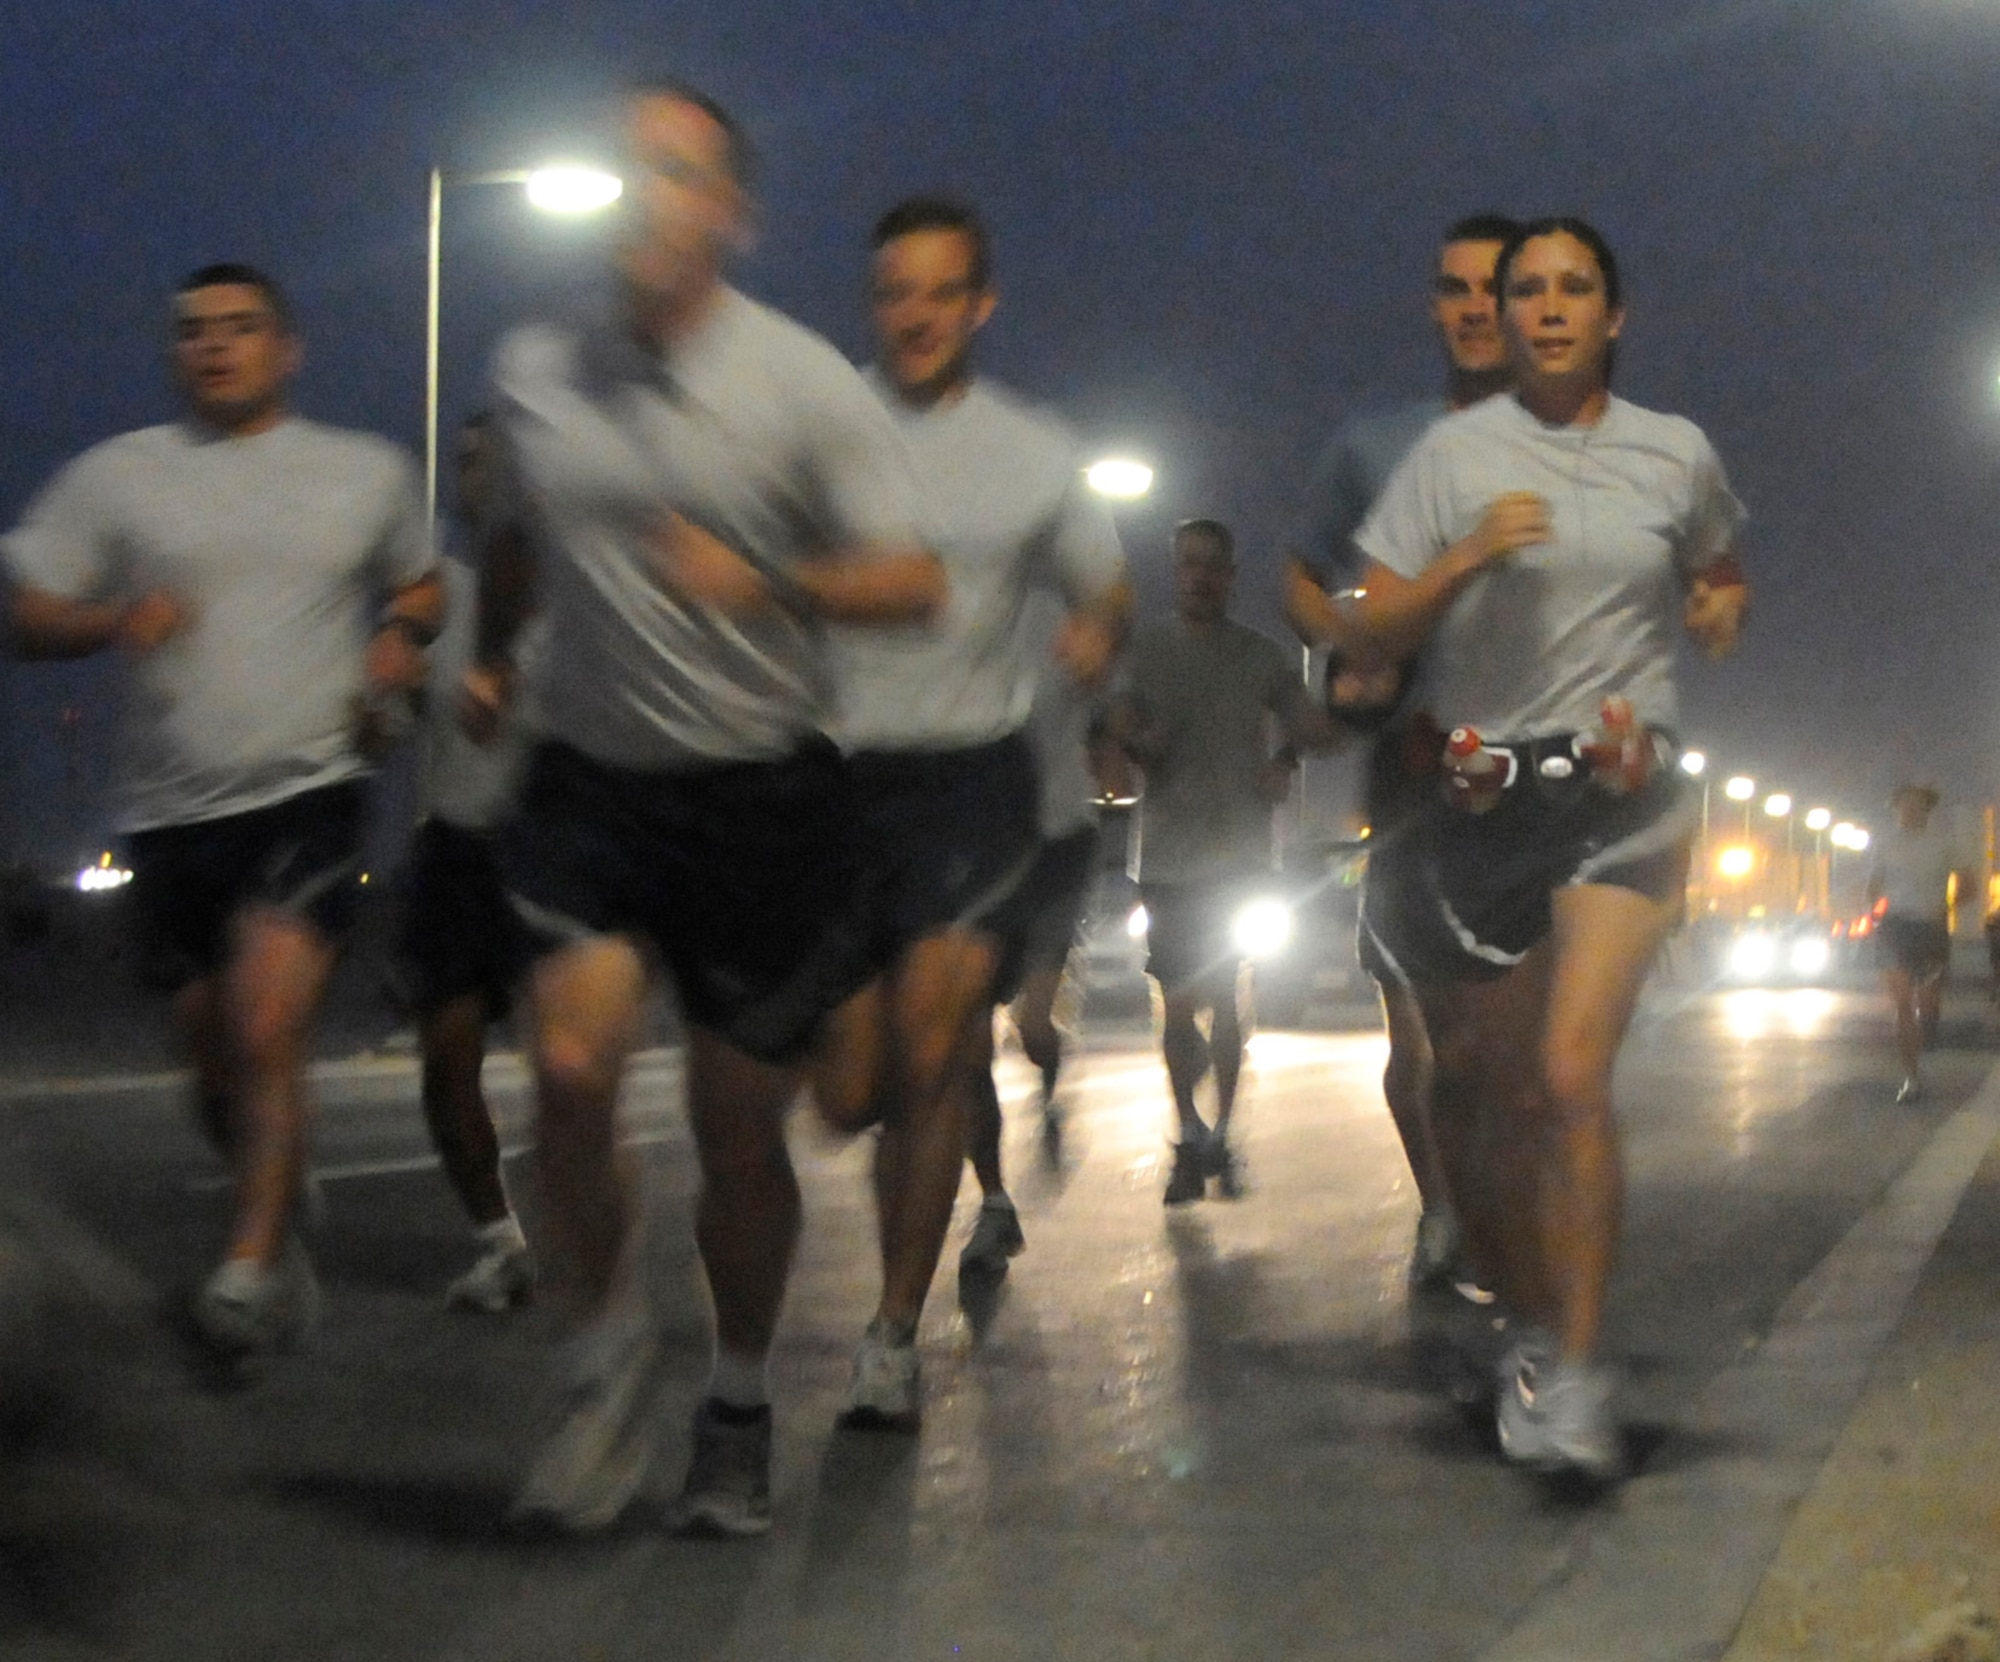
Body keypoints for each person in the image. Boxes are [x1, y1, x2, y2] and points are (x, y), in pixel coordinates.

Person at [465, 79, 945, 1538]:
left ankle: (736, 1393)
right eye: (623, 171)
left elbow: (913, 581)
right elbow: (519, 529)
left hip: (761, 797)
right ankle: (601, 1360)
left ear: (730, 212)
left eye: (674, 175)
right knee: (565, 1062)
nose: (639, 197)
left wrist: (771, 579)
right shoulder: (538, 367)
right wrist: (493, 653)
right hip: (594, 780)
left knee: (742, 1135)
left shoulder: (798, 383)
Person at [1347, 217, 1748, 1481]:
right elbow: (1367, 621)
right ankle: (1526, 1328)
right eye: (1527, 290)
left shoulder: (1672, 451)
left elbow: (1719, 578)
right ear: (1502, 319)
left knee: (1569, 1079)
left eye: (1575, 288)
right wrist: (1464, 555)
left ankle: (1574, 1377)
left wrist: (1714, 609)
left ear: (1613, 317)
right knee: (1498, 1093)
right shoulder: (1450, 455)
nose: (1550, 307)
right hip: (1482, 801)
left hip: (1624, 787)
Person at [2, 264, 440, 1360]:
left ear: (286, 349)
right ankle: (275, 1197)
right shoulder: (118, 477)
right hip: (168, 809)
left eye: (240, 329)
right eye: (193, 331)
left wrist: (400, 638)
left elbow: (423, 583)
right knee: (210, 1060)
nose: (214, 346)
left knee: (265, 1027)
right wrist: (106, 619)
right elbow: (28, 614)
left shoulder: (361, 470)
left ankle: (246, 1268)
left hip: (308, 788)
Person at [822, 197, 1128, 1366]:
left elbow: (1104, 588)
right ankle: (899, 1241)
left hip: (971, 786)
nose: (915, 315)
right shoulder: (819, 428)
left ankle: (891, 1334)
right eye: (894, 291)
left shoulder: (1033, 449)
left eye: (940, 293)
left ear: (979, 305)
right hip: (837, 783)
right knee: (849, 1091)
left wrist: (1097, 632)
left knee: (933, 1049)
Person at [1282, 213, 1520, 1294]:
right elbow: (1296, 571)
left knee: (1508, 1050)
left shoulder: (1587, 445)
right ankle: (1448, 1214)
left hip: (1538, 780)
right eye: (1454, 289)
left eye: (1495, 288)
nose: (1473, 308)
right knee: (1431, 1042)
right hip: (1415, 780)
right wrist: (1347, 646)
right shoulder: (1376, 443)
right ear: (1434, 306)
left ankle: (1504, 1234)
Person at [1113, 519, 1325, 1205]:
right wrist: (1137, 739)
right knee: (1177, 1007)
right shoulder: (1144, 651)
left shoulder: (1263, 656)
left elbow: (1305, 724)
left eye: (1214, 566)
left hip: (1240, 853)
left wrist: (1284, 763)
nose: (1201, 577)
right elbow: (1111, 723)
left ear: (1232, 575)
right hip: (1169, 856)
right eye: (1189, 565)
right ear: (1175, 571)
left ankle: (1223, 1136)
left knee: (1230, 1000)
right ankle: (1189, 1130)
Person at [396, 414, 535, 1311]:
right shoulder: (437, 589)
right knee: (446, 1061)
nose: (476, 476)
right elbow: (403, 708)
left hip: (552, 851)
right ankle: (501, 1242)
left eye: (498, 461)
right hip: (453, 849)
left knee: (573, 1072)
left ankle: (600, 1242)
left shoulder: (579, 594)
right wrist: (381, 709)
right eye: (467, 462)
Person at [960, 599, 1115, 1276]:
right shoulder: (957, 622)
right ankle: (993, 1202)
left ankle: (1050, 1092)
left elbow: (1113, 726)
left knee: (1032, 1026)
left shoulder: (1062, 614)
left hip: (1058, 845)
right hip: (976, 849)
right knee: (967, 1038)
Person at [1866, 783, 1971, 1103]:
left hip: (1931, 930)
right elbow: (1873, 885)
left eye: (1918, 805)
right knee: (1902, 1005)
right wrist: (1876, 915)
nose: (1910, 810)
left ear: (1928, 809)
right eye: (1904, 805)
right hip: (1896, 928)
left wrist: (1948, 908)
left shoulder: (1944, 844)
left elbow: (1969, 885)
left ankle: (1928, 1028)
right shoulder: (1885, 845)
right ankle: (1911, 1077)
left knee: (1927, 1004)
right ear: (1896, 808)